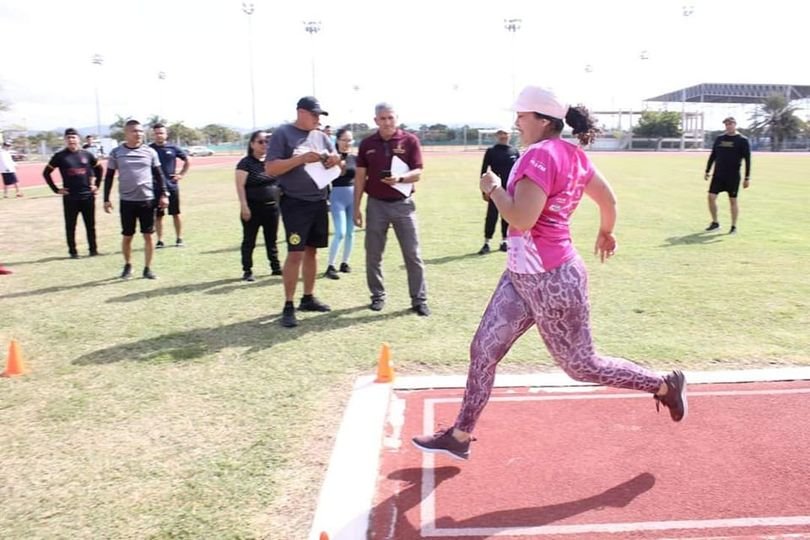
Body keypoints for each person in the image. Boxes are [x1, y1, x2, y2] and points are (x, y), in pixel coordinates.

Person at [412, 86, 687, 461]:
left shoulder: (540, 156)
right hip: (523, 276)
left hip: (552, 279)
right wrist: (606, 230)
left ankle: (663, 386)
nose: (516, 122)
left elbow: (522, 218)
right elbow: (609, 199)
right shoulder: (574, 156)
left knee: (581, 365)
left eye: (522, 116)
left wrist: (493, 188)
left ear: (543, 121)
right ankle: (460, 435)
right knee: (483, 350)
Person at [265, 96, 340, 328]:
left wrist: (335, 160)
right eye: (314, 114)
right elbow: (271, 168)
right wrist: (300, 159)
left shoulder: (322, 137)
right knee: (295, 252)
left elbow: (340, 165)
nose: (318, 119)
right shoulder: (283, 134)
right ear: (301, 112)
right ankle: (288, 304)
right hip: (295, 202)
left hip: (318, 200)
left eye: (320, 115)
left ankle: (307, 297)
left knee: (312, 252)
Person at [354, 102, 429, 316]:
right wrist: (356, 207)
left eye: (390, 118)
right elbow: (360, 177)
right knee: (373, 254)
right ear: (376, 120)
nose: (387, 122)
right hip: (376, 204)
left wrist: (400, 178)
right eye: (382, 118)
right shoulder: (367, 143)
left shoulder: (410, 140)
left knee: (412, 254)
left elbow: (417, 173)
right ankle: (377, 296)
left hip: (403, 205)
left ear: (396, 118)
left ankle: (419, 299)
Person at [103, 119, 169, 279]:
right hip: (127, 201)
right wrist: (106, 199)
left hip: (147, 200)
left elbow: (159, 175)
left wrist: (164, 194)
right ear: (126, 133)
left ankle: (148, 268)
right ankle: (128, 265)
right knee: (127, 236)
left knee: (148, 235)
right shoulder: (116, 153)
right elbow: (109, 176)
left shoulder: (150, 152)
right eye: (134, 131)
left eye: (140, 131)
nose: (138, 134)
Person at [43, 128, 104, 258]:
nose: (71, 140)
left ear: (78, 139)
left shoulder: (87, 155)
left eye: (73, 137)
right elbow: (46, 173)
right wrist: (56, 189)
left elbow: (99, 169)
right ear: (65, 140)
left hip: (87, 196)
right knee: (71, 226)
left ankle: (93, 250)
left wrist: (96, 185)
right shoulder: (60, 156)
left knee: (90, 225)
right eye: (68, 138)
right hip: (70, 197)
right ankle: (73, 251)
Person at [235, 130, 282, 281]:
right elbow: (240, 186)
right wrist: (244, 206)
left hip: (272, 208)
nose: (264, 145)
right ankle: (247, 270)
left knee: (272, 240)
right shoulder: (245, 163)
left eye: (267, 142)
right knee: (250, 240)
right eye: (260, 142)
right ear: (252, 144)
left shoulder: (272, 161)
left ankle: (275, 267)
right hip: (253, 208)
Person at [704, 116, 751, 235]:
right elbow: (713, 155)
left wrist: (747, 178)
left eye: (730, 124)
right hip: (718, 175)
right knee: (711, 197)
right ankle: (715, 223)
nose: (728, 126)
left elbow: (748, 160)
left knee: (732, 201)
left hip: (733, 176)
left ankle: (733, 226)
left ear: (735, 124)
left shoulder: (742, 140)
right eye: (726, 124)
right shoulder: (720, 139)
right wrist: (707, 170)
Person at [478, 128, 519, 254]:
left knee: (507, 216)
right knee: (491, 215)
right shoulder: (491, 151)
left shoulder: (514, 151)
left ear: (510, 135)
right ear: (497, 136)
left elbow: (519, 171)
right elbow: (484, 172)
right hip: (494, 189)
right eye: (500, 134)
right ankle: (487, 242)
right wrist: (484, 191)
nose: (503, 136)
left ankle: (504, 241)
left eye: (505, 133)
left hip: (510, 189)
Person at [150, 123, 191, 247]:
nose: (159, 135)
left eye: (161, 133)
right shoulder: (149, 149)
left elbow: (187, 160)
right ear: (153, 135)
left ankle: (179, 238)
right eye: (156, 133)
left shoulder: (173, 148)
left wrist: (181, 174)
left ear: (166, 134)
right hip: (156, 187)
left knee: (175, 213)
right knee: (158, 215)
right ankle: (160, 240)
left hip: (171, 185)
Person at [324, 127, 356, 280]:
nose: (347, 143)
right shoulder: (332, 157)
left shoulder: (355, 157)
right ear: (337, 140)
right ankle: (330, 265)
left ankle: (345, 262)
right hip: (337, 196)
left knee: (351, 232)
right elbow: (326, 177)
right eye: (344, 140)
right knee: (340, 232)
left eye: (350, 140)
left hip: (353, 196)